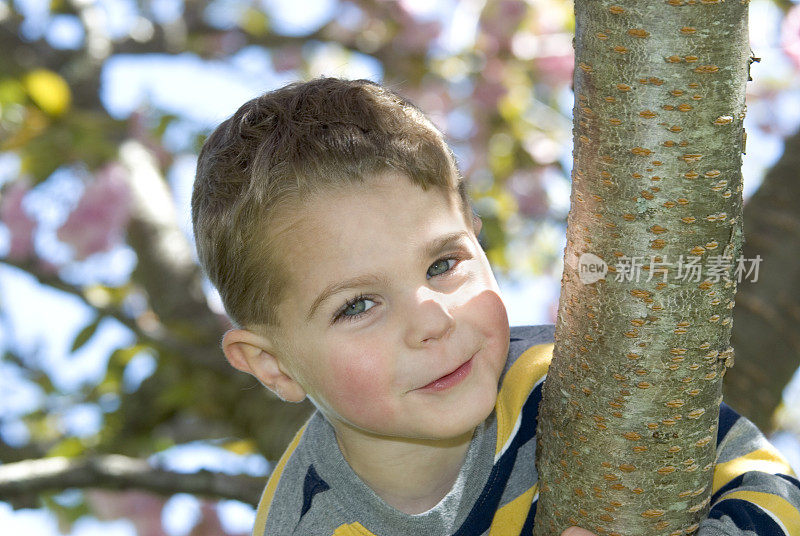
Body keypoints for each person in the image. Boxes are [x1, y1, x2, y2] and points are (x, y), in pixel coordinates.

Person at [191, 77, 800, 536]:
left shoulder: (573, 381)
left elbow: (772, 486)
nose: (433, 319)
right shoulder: (303, 523)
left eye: (442, 265)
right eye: (358, 306)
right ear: (273, 366)